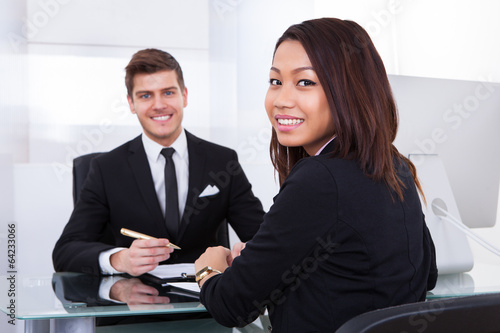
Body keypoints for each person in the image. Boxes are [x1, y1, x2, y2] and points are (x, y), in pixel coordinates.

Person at [194, 18, 438, 332]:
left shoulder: (320, 179)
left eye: (305, 82)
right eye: (275, 81)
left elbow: (231, 305)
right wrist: (266, 259)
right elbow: (425, 274)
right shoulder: (393, 165)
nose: (281, 99)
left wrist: (208, 270)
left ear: (349, 90)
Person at [53, 48, 265, 277]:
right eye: (145, 95)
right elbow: (66, 251)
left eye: (168, 93)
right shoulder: (106, 168)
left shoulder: (222, 161)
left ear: (184, 96)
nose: (159, 105)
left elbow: (262, 236)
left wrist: (246, 253)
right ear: (131, 103)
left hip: (205, 301)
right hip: (132, 304)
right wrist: (119, 259)